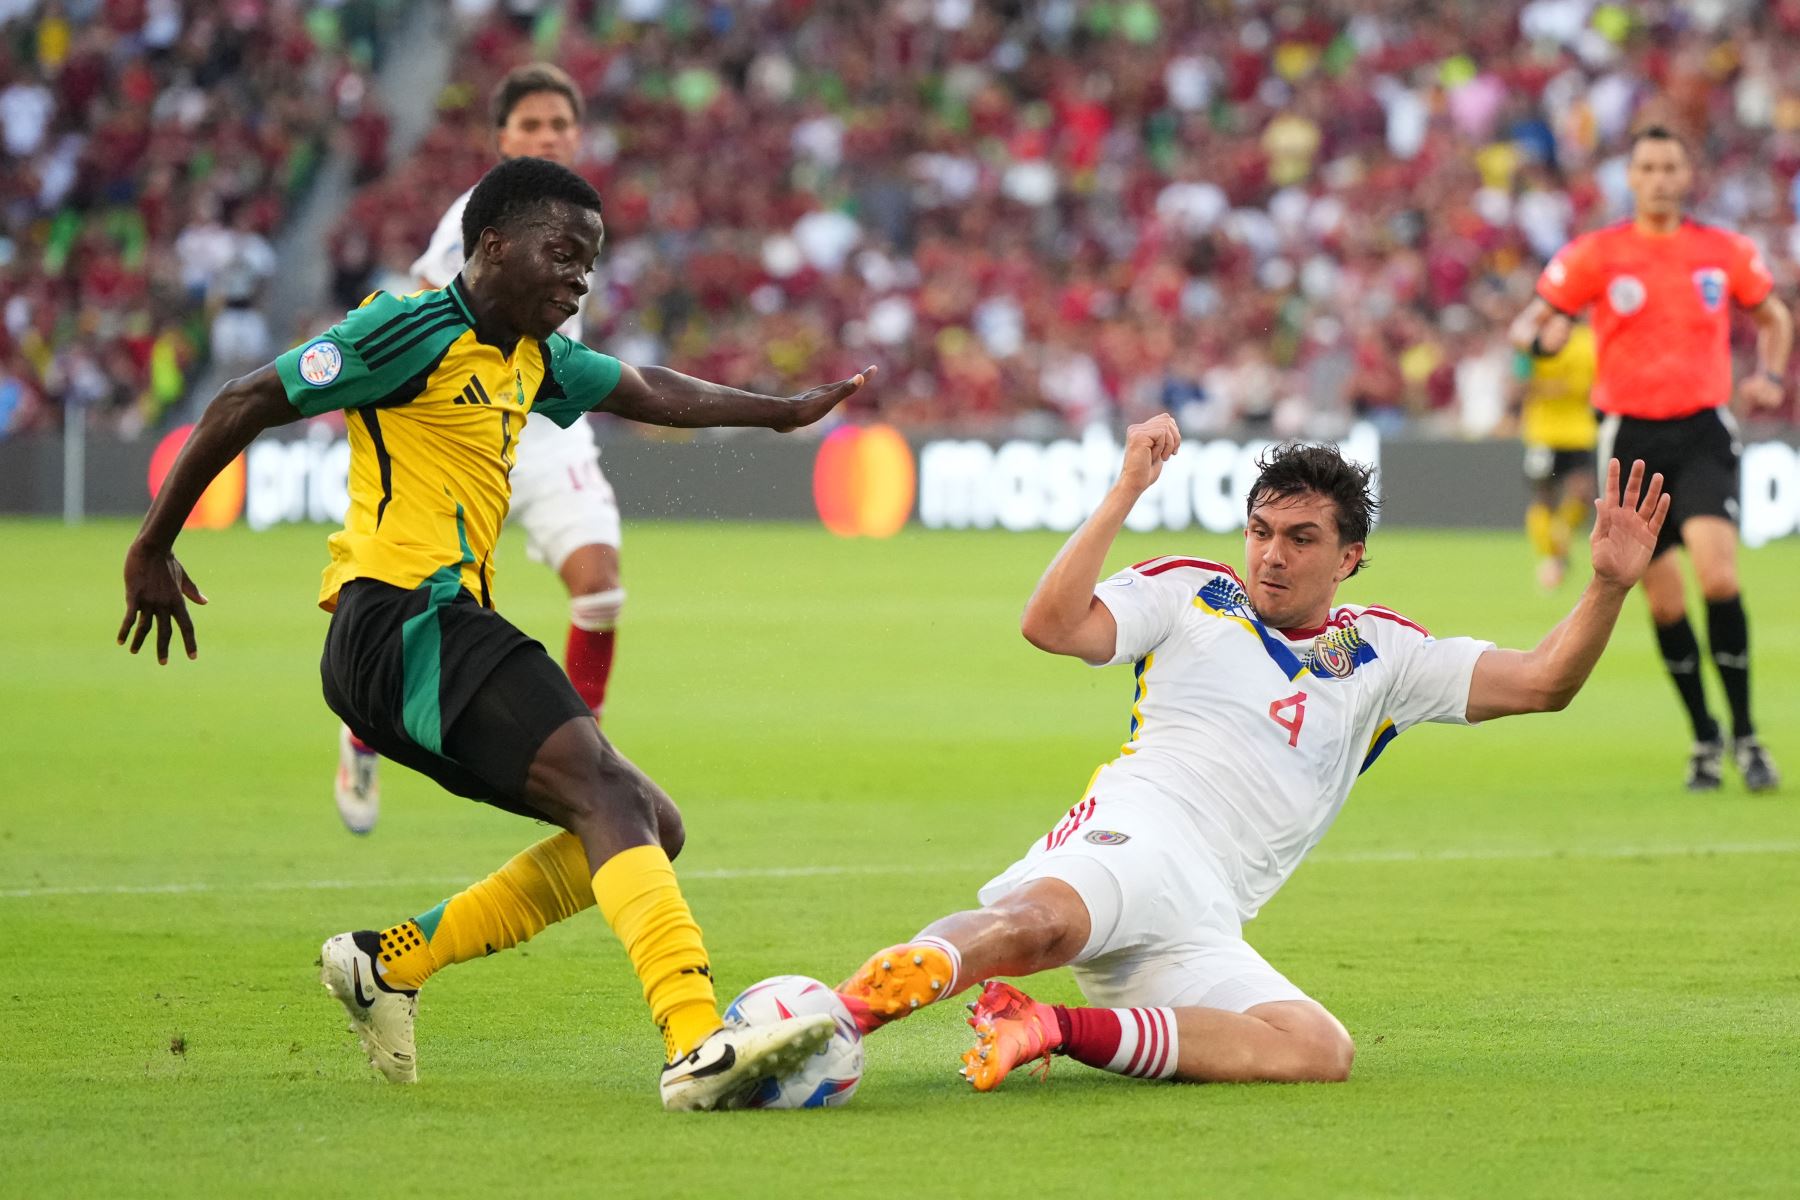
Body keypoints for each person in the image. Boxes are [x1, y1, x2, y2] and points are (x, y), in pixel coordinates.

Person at [119, 156, 878, 1111]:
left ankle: (388, 962)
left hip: (435, 631)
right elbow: (244, 400)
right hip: (399, 620)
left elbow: (640, 387)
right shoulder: (408, 327)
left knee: (650, 821)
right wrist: (152, 547)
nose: (579, 280)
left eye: (591, 264)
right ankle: (697, 1042)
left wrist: (779, 415)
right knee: (607, 792)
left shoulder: (534, 355)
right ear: (490, 245)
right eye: (563, 253)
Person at [833, 413, 1668, 1090]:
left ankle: (1047, 1027)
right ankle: (842, 1015)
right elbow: (1050, 626)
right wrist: (1128, 487)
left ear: (1349, 557)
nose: (1272, 554)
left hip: (1205, 912)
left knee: (1316, 1049)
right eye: (1262, 531)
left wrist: (1608, 586)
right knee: (1040, 925)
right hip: (1139, 830)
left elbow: (1544, 682)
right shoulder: (1194, 593)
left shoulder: (1385, 656)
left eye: (1301, 539)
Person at [335, 63, 624, 834]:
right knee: (425, 604)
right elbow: (430, 302)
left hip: (549, 421)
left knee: (600, 586)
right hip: (469, 426)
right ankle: (363, 731)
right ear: (502, 139)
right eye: (530, 126)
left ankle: (584, 743)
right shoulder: (476, 215)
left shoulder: (581, 214)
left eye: (558, 124)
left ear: (577, 132)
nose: (547, 136)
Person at [1509, 125, 1788, 792]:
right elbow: (1529, 327)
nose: (1660, 177)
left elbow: (1774, 317)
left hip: (1702, 432)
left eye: (1671, 165)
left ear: (1687, 175)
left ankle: (1748, 735)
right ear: (1630, 179)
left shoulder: (1724, 251)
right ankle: (1703, 738)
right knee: (1663, 603)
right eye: (1648, 167)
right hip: (1629, 441)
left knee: (1719, 578)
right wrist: (1541, 341)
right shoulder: (1595, 255)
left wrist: (1770, 377)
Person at [1506, 320, 1597, 590]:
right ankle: (1551, 558)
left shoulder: (1588, 341)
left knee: (1581, 493)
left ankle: (1559, 544)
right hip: (1542, 433)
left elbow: (1594, 386)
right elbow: (1519, 383)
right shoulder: (1531, 341)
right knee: (1544, 496)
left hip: (1579, 432)